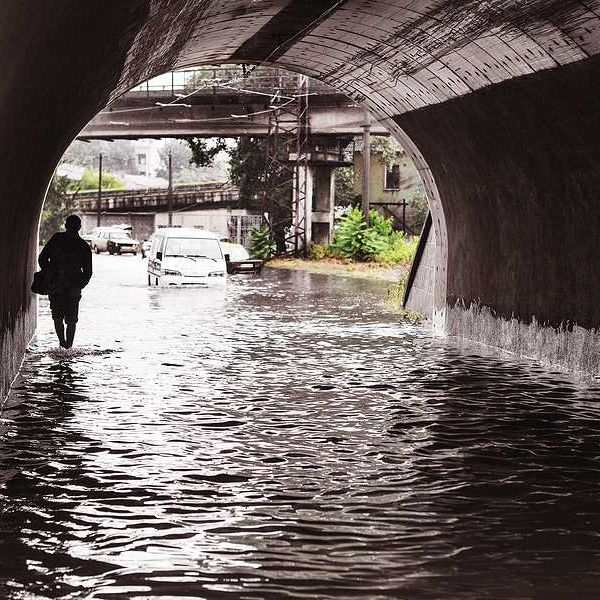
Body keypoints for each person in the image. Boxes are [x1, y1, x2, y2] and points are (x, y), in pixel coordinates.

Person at [38, 215, 92, 348]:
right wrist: (78, 286)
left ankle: (63, 344)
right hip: (68, 288)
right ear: (80, 227)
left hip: (59, 287)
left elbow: (42, 259)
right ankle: (67, 346)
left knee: (59, 318)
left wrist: (50, 273)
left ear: (66, 225)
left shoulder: (57, 239)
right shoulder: (83, 246)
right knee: (71, 320)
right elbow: (88, 273)